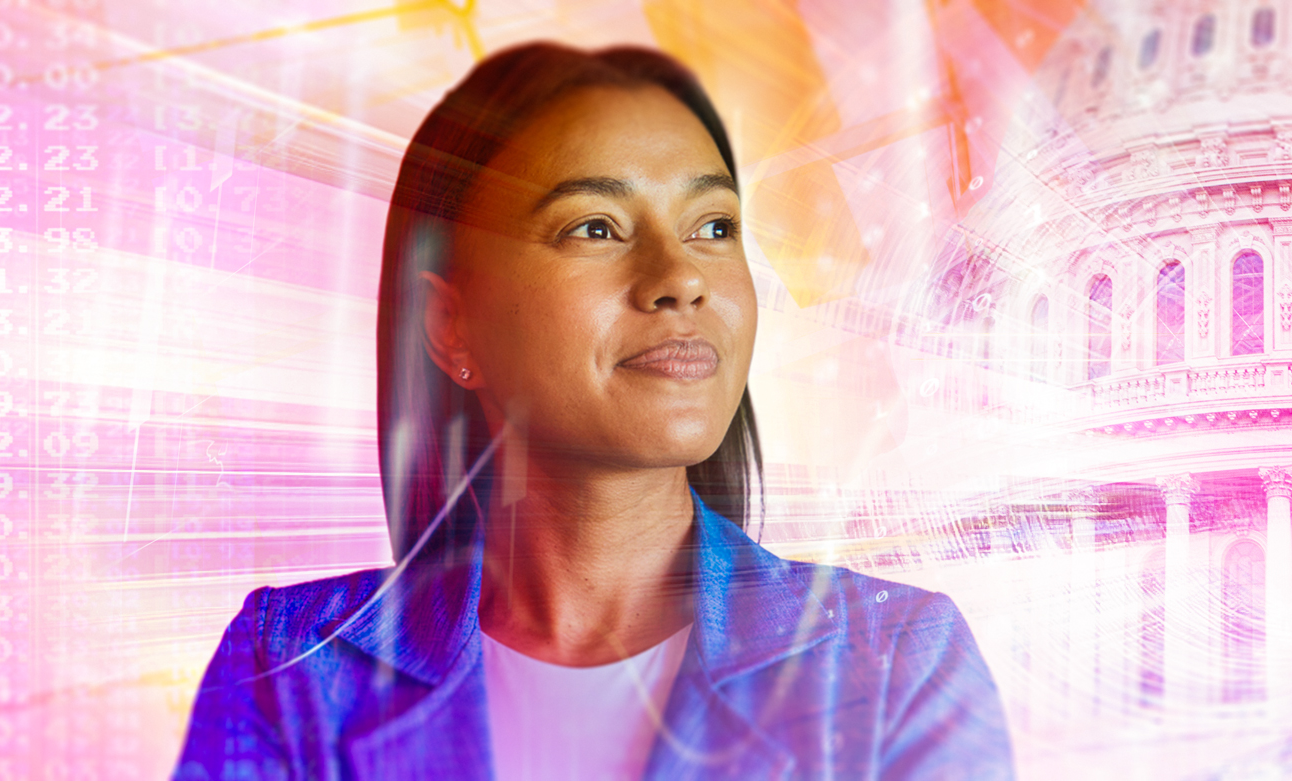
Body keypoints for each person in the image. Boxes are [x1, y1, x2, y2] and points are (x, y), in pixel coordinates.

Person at [173, 42, 1012, 780]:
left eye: (713, 225)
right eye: (596, 229)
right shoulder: (291, 667)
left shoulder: (897, 662)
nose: (680, 276)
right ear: (450, 324)